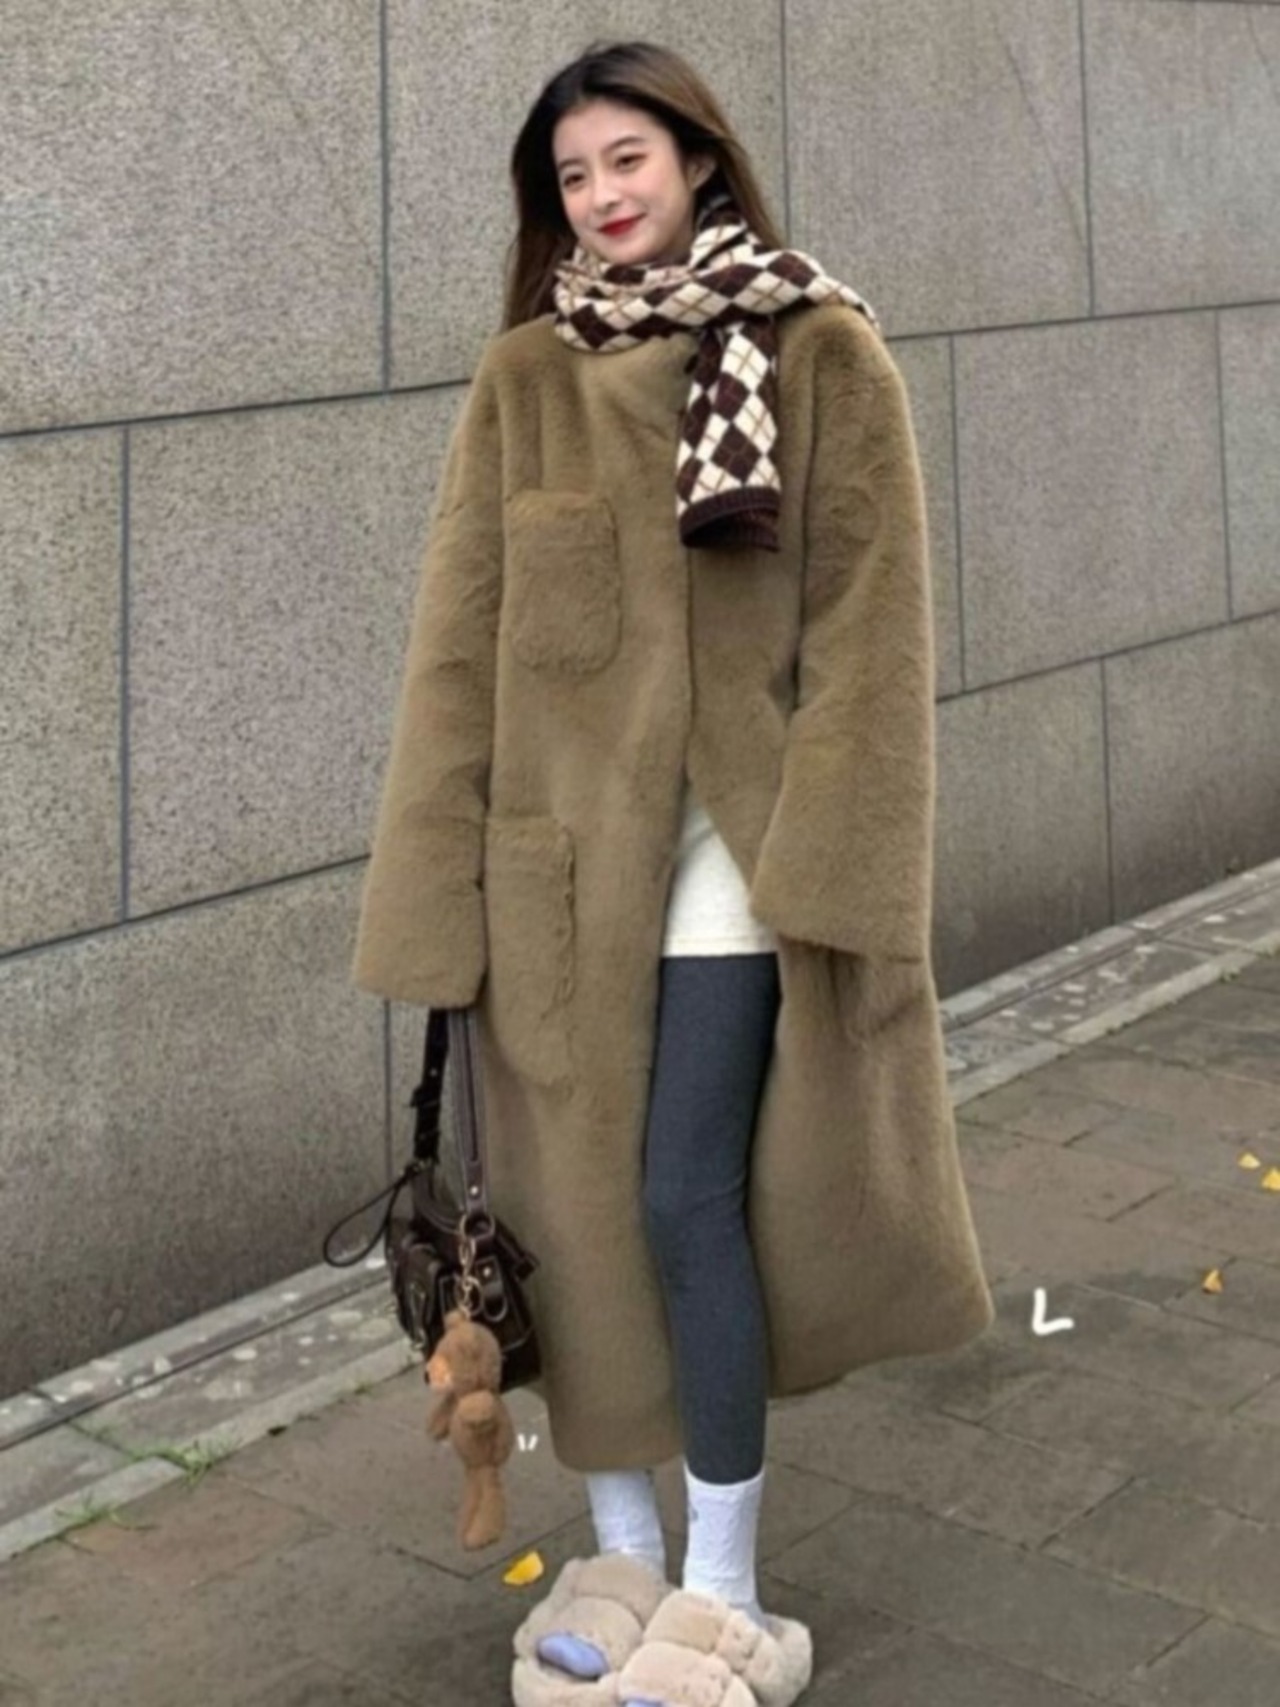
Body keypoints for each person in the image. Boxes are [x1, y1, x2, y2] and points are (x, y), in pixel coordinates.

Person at [351, 37, 994, 1702]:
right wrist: (431, 898)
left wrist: (833, 875)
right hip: (554, 882)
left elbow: (870, 634)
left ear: (699, 157)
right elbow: (459, 651)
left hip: (740, 865)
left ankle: (726, 1587)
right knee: (569, 1214)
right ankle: (624, 1554)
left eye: (625, 158)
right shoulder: (528, 378)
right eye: (572, 175)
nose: (600, 196)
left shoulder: (818, 350)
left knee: (679, 1197)